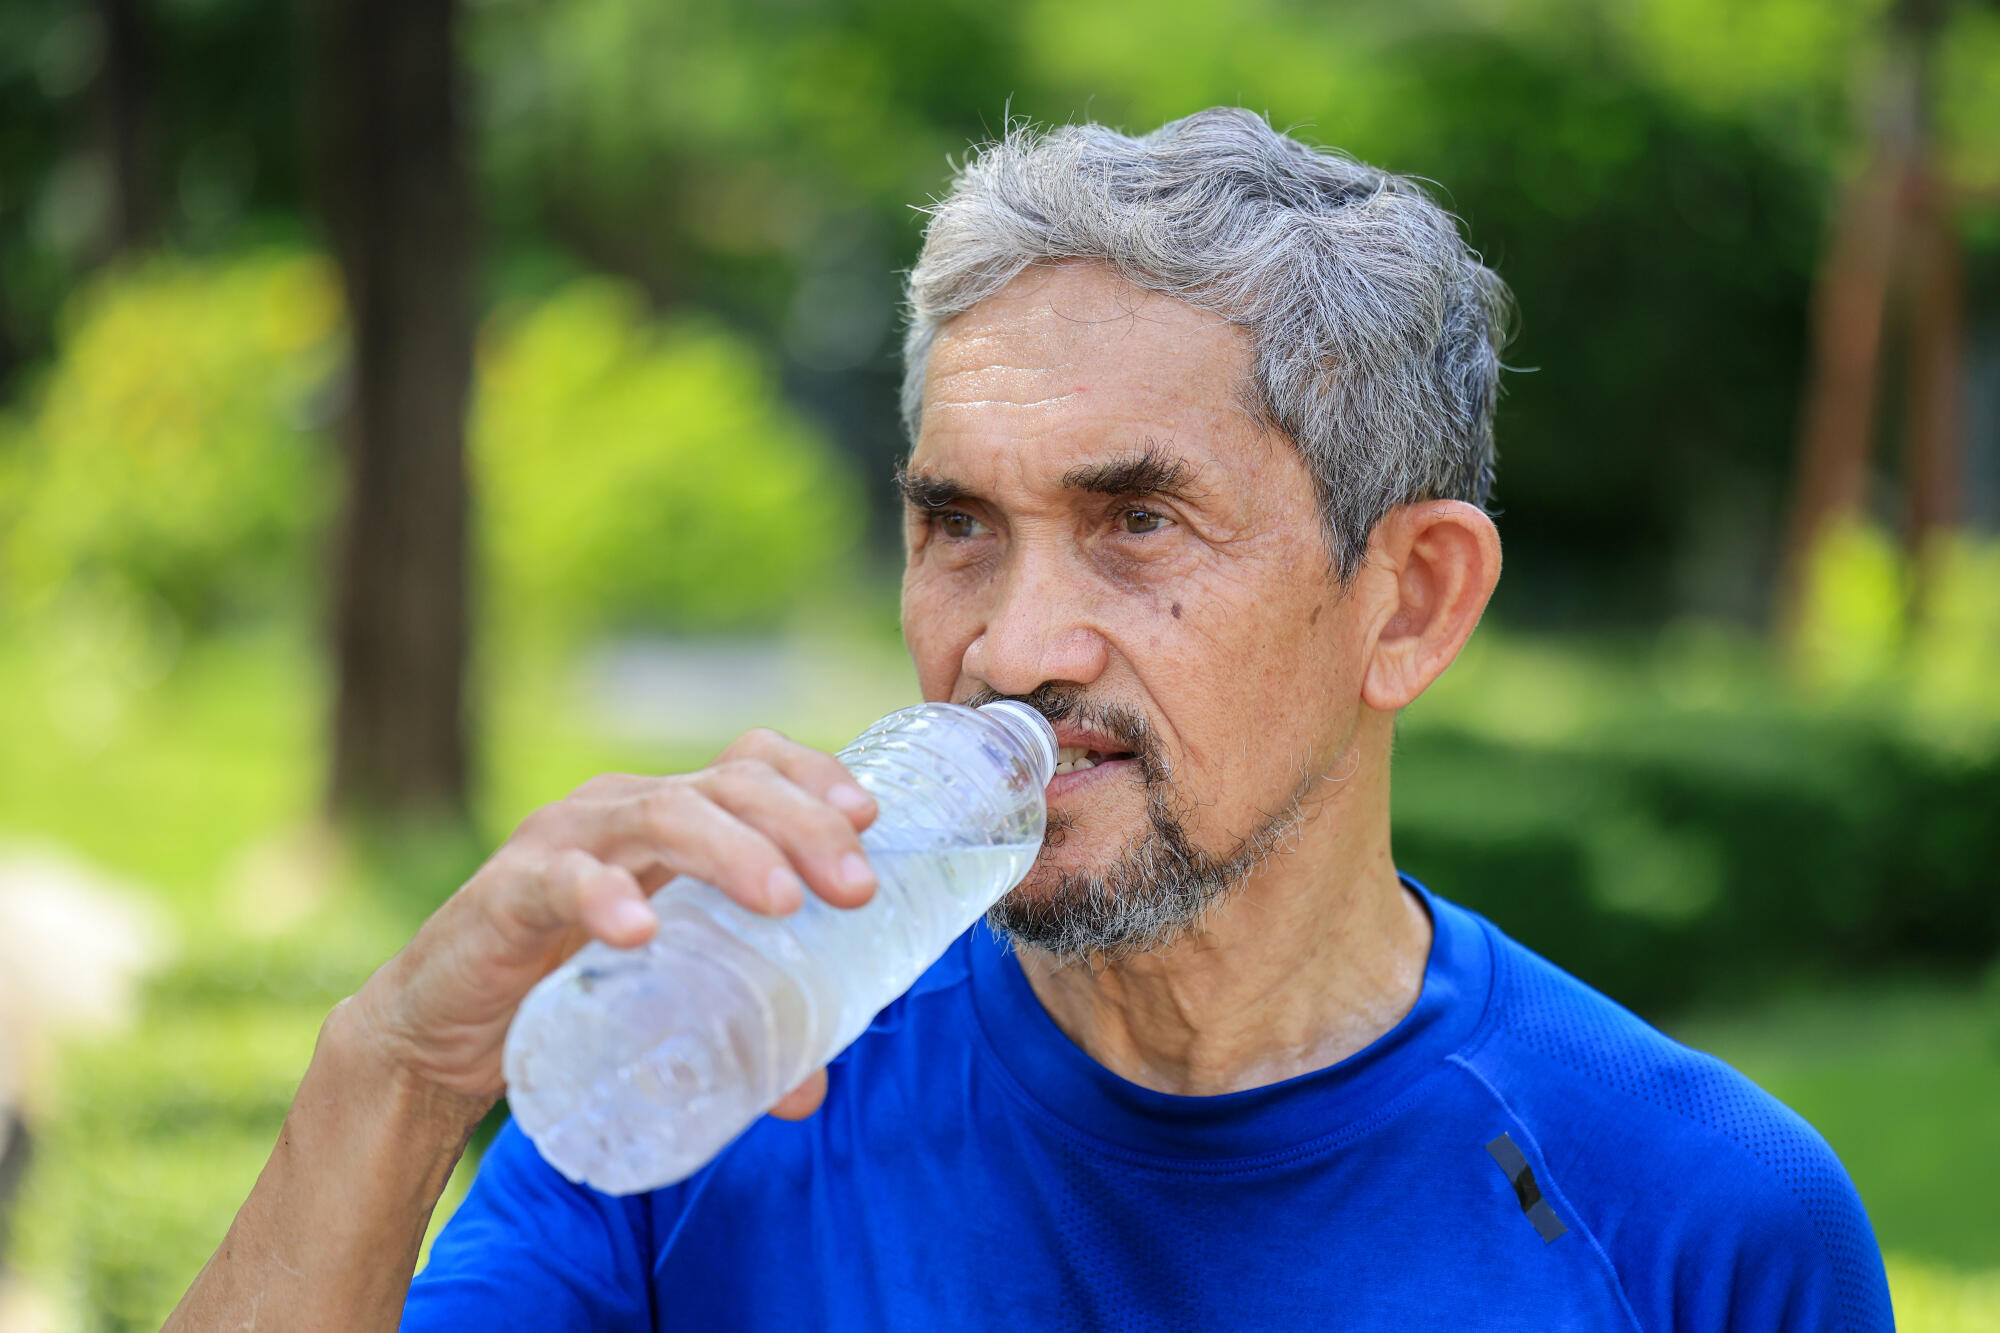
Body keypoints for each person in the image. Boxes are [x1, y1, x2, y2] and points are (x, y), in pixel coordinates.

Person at [165, 109, 1892, 1332]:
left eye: (1140, 522)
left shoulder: (1697, 1216)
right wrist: (394, 1072)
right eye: (957, 524)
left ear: (1412, 600)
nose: (1011, 645)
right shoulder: (714, 1084)